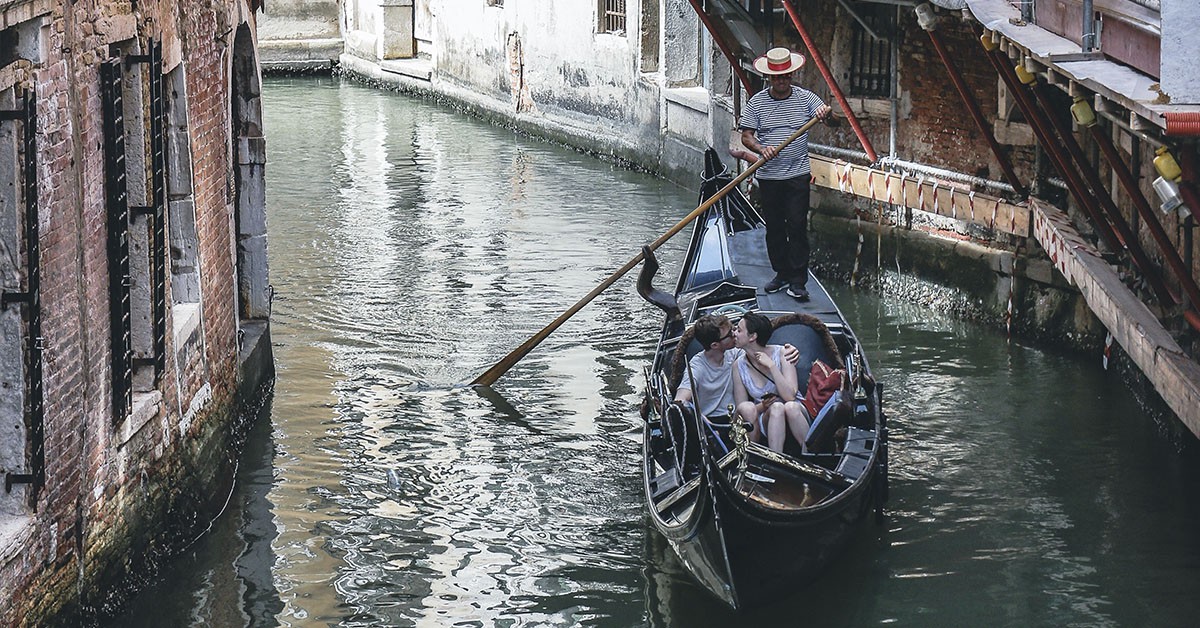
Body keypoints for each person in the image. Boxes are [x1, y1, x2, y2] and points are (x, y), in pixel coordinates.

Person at [739, 47, 832, 301]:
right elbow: (746, 136)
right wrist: (761, 148)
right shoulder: (757, 103)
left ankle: (798, 281)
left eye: (786, 76)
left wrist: (826, 114)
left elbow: (830, 119)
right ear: (770, 78)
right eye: (777, 77)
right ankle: (781, 273)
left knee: (797, 225)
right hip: (769, 177)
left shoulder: (805, 98)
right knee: (775, 228)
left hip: (797, 175)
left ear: (791, 76)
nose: (782, 81)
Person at [675, 314, 798, 423]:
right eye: (730, 334)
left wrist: (790, 351)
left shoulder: (735, 353)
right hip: (711, 422)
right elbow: (680, 400)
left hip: (738, 417)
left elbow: (757, 344)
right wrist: (706, 425)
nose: (734, 334)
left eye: (735, 329)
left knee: (749, 410)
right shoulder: (697, 367)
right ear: (715, 345)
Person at [731, 312, 810, 453]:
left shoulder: (783, 353)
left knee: (789, 406)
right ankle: (775, 459)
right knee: (776, 407)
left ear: (752, 337)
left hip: (795, 410)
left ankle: (810, 453)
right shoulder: (738, 366)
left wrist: (772, 366)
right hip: (767, 416)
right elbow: (742, 409)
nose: (734, 333)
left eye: (739, 330)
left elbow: (790, 397)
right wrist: (763, 405)